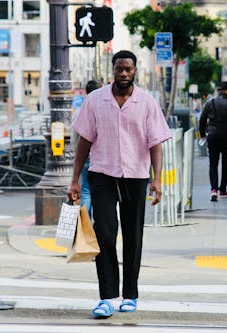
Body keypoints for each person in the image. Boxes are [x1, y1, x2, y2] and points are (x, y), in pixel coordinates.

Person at [67, 50, 171, 318]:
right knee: (104, 232)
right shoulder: (95, 100)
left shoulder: (147, 102)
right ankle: (106, 296)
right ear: (112, 70)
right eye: (119, 69)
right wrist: (75, 178)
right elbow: (84, 142)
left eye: (128, 69)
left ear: (135, 71)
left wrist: (157, 179)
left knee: (133, 236)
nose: (123, 73)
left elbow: (155, 144)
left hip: (136, 176)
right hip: (102, 174)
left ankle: (130, 294)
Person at [199, 81, 227, 201]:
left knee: (213, 163)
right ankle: (223, 189)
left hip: (213, 135)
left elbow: (202, 120)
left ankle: (213, 189)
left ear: (217, 91)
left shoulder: (210, 103)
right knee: (226, 163)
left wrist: (203, 135)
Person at [80, 80, 102, 218]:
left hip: (84, 157)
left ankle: (85, 224)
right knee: (100, 192)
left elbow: (77, 139)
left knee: (86, 192)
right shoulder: (101, 110)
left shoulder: (79, 111)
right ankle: (98, 223)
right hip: (98, 158)